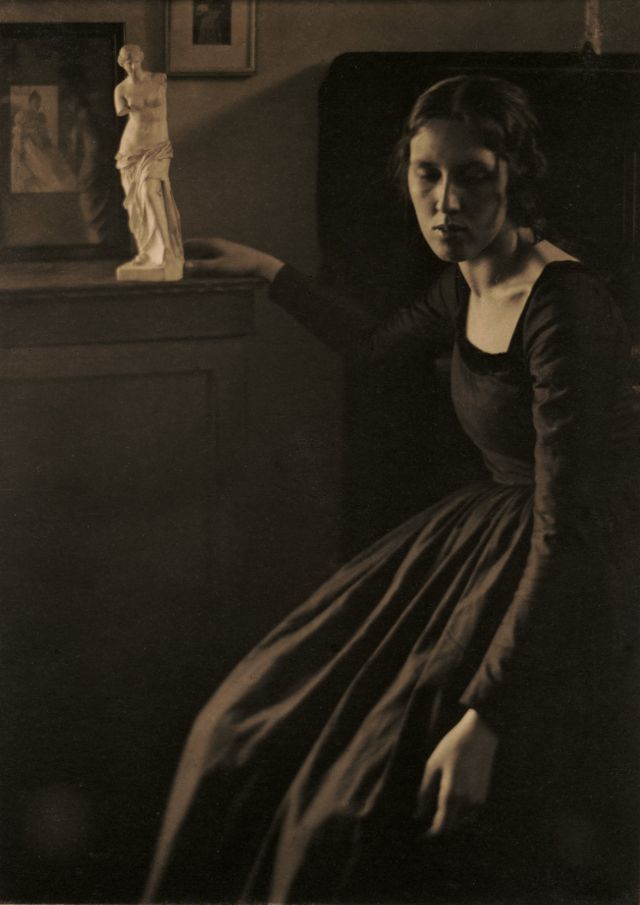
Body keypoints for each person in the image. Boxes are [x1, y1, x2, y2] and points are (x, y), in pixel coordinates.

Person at [142, 75, 639, 903]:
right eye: (427, 174)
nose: (446, 202)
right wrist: (271, 272)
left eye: (473, 176)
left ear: (516, 175)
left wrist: (488, 716)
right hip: (486, 536)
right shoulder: (468, 276)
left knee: (353, 800)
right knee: (242, 722)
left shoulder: (564, 305)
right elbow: (378, 349)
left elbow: (570, 525)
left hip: (571, 564)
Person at [114, 44, 183, 280]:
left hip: (157, 146)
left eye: (134, 61)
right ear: (121, 64)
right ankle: (147, 251)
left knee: (150, 192)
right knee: (138, 202)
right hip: (131, 150)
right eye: (127, 62)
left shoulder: (158, 79)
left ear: (141, 59)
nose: (131, 66)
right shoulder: (121, 89)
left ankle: (167, 250)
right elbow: (121, 111)